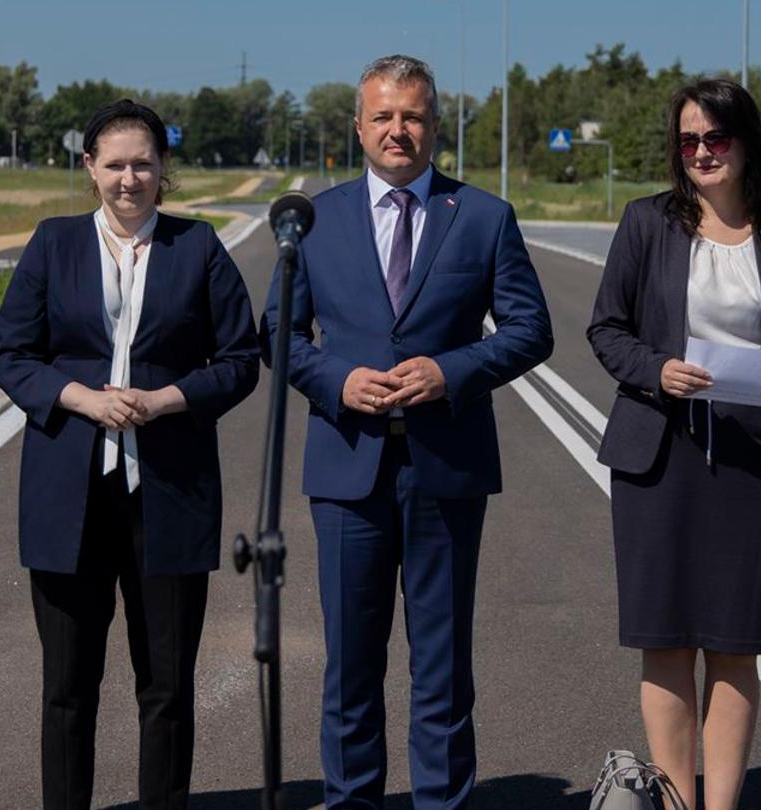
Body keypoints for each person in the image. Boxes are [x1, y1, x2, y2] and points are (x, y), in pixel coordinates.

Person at [262, 54, 553, 810]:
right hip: (346, 470)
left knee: (443, 666)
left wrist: (450, 372)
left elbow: (530, 329)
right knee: (351, 667)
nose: (399, 130)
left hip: (444, 472)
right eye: (384, 116)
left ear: (435, 127)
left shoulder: (484, 218)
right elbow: (276, 333)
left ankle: (441, 803)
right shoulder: (315, 221)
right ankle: (352, 800)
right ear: (358, 127)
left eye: (414, 116)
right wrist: (335, 380)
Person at [0, 99, 259, 810]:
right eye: (114, 164)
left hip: (169, 490)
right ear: (89, 167)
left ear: (163, 168)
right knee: (67, 686)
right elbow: (12, 356)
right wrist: (82, 397)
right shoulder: (52, 245)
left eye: (144, 163)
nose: (130, 178)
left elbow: (240, 359)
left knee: (167, 685)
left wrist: (165, 399)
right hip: (66, 493)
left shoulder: (198, 247)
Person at [586, 77, 761, 810]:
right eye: (688, 140)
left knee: (734, 645)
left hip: (753, 459)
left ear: (746, 142)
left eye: (715, 138)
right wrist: (656, 369)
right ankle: (677, 803)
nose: (701, 152)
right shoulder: (646, 223)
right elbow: (606, 330)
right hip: (660, 457)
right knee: (666, 642)